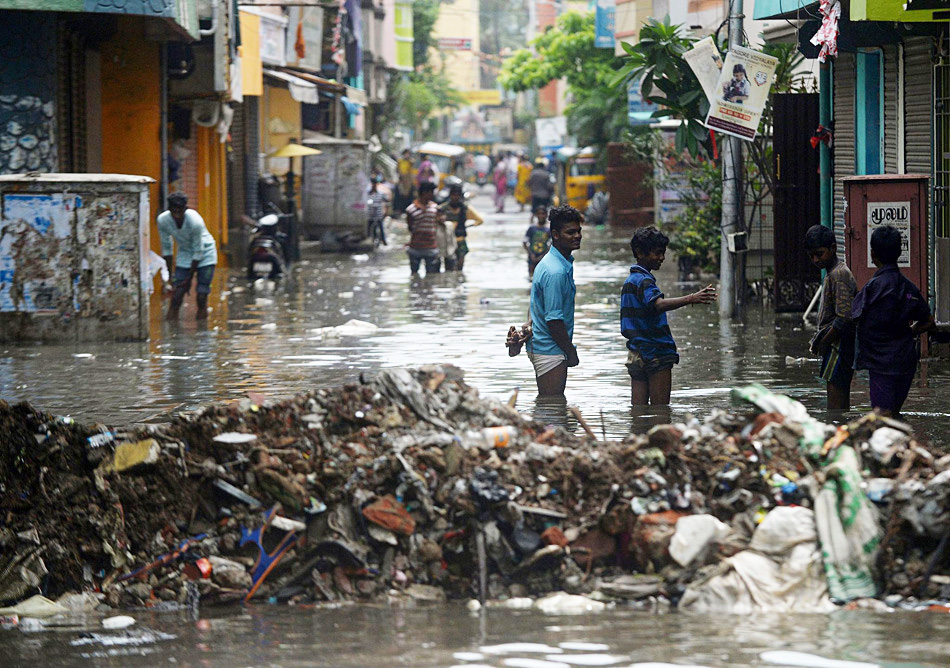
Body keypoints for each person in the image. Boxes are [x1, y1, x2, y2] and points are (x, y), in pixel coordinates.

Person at [621, 226, 716, 406]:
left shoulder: (630, 281)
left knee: (638, 412)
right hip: (656, 352)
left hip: (636, 353)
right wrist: (691, 298)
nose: (662, 258)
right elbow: (657, 305)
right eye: (657, 253)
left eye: (663, 253)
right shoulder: (644, 280)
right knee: (661, 412)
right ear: (640, 253)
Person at [852, 225, 935, 417]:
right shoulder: (909, 288)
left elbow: (852, 317)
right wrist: (909, 332)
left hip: (880, 364)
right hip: (905, 361)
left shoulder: (872, 288)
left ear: (873, 254)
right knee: (893, 414)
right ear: (899, 252)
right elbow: (929, 322)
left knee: (882, 418)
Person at [522, 205, 583, 396]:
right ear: (555, 235)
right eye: (570, 232)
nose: (577, 236)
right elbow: (554, 320)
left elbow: (535, 304)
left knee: (551, 407)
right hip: (550, 350)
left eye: (579, 231)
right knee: (552, 407)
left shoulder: (555, 262)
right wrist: (570, 352)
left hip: (546, 346)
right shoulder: (555, 271)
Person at [805, 224, 856, 410]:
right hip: (835, 344)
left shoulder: (839, 274)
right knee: (837, 403)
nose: (816, 260)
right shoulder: (833, 274)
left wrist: (824, 343)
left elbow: (844, 319)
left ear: (833, 248)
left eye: (820, 254)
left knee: (836, 408)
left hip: (838, 345)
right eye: (812, 256)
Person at [158, 192, 218, 321]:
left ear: (185, 209)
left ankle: (202, 332)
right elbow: (167, 247)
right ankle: (171, 331)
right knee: (177, 296)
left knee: (201, 296)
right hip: (185, 253)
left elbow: (198, 249)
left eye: (180, 211)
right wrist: (170, 275)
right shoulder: (163, 220)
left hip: (205, 253)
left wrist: (188, 278)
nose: (177, 215)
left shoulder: (195, 221)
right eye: (174, 211)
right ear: (169, 210)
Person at [440, 183, 484, 271]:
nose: (455, 197)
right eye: (453, 195)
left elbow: (480, 220)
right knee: (448, 267)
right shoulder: (443, 209)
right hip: (447, 241)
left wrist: (469, 226)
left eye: (457, 195)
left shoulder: (465, 208)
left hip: (460, 240)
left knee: (460, 267)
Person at [404, 181, 442, 276]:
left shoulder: (435, 208)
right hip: (415, 247)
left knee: (431, 275)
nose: (432, 195)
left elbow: (437, 223)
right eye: (431, 192)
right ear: (424, 193)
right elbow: (410, 226)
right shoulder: (411, 209)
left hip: (431, 246)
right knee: (414, 273)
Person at [523, 204, 551, 278]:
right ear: (536, 215)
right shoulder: (532, 228)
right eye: (539, 214)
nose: (541, 216)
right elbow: (525, 242)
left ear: (546, 215)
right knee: (531, 278)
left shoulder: (549, 229)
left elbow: (552, 244)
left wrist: (543, 255)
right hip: (532, 257)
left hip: (544, 258)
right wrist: (531, 254)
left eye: (543, 214)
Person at [366, 174, 390, 246]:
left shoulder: (380, 194)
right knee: (369, 228)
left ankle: (383, 240)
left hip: (378, 214)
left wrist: (386, 211)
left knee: (381, 227)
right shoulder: (368, 194)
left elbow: (387, 201)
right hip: (370, 215)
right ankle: (368, 240)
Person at [394, 148, 414, 214]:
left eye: (408, 154)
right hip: (401, 180)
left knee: (409, 195)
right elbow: (397, 169)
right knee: (398, 194)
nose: (407, 155)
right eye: (406, 153)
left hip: (408, 181)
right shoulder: (400, 161)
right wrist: (401, 175)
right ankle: (398, 209)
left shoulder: (410, 161)